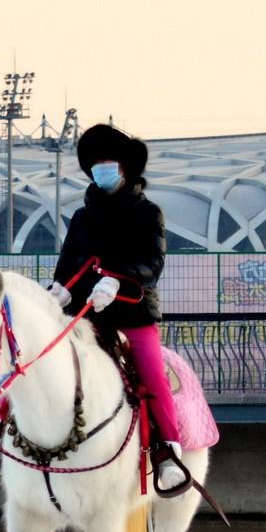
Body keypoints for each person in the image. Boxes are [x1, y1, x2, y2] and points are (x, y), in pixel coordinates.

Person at [49, 122, 192, 496]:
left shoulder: (148, 213)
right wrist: (60, 290)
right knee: (41, 357)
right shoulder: (81, 218)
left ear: (125, 167)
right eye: (94, 163)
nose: (100, 169)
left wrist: (118, 280)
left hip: (133, 311)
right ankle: (3, 436)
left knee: (151, 373)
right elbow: (68, 264)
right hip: (87, 313)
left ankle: (168, 454)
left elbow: (153, 263)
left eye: (107, 162)